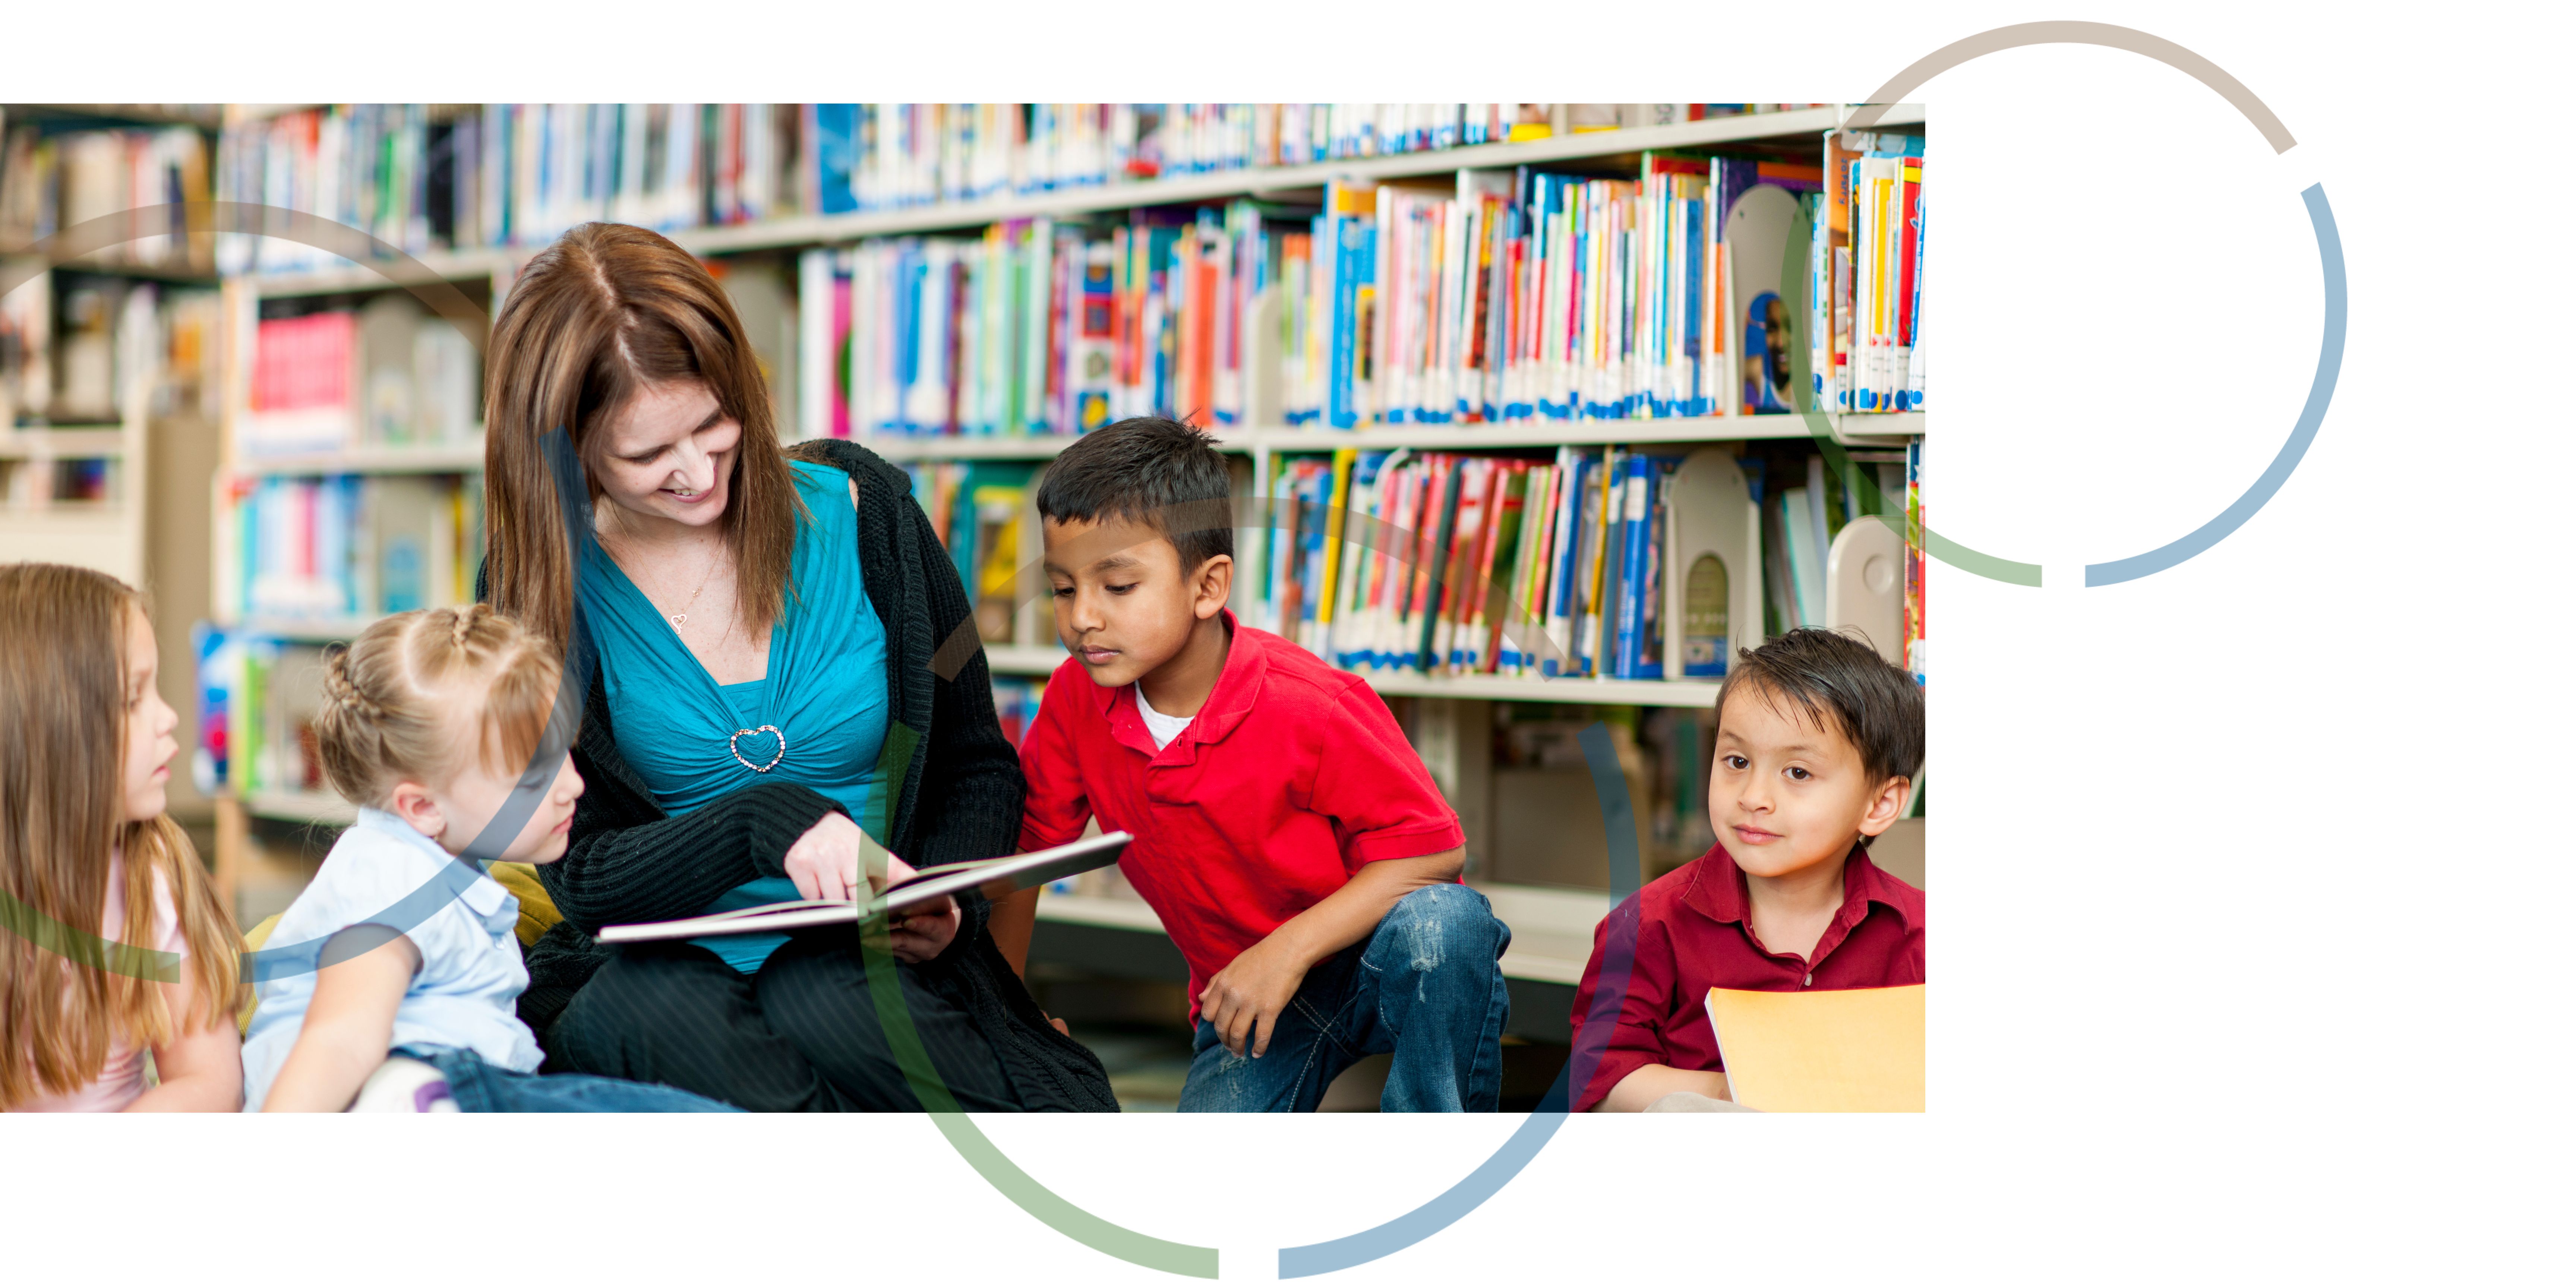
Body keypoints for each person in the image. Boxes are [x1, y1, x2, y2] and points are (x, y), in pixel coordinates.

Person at [478, 222, 1111, 1112]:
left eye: (712, 425)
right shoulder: (536, 589)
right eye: (648, 454)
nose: (698, 473)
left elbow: (976, 764)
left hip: (874, 960)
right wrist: (763, 824)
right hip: (664, 962)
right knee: (660, 1013)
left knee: (825, 997)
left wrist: (947, 905)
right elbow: (578, 870)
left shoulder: (870, 511)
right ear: (566, 449)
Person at [1017, 417, 1512, 1112]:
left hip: (1375, 963)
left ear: (1209, 586)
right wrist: (1006, 1015)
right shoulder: (1074, 700)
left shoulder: (1313, 705)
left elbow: (1434, 854)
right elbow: (1026, 857)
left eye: (1119, 587)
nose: (1083, 618)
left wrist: (1286, 952)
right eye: (1064, 589)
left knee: (1447, 923)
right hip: (1246, 1009)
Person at [241, 606, 735, 1112]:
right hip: (431, 1089)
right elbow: (340, 1038)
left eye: (565, 752)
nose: (574, 786)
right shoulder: (394, 876)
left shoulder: (440, 870)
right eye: (533, 776)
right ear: (425, 807)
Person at [1569, 627, 1925, 1112]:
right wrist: (1741, 1091)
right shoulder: (1646, 926)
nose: (1753, 797)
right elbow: (1600, 1083)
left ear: (1880, 803)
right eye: (1736, 761)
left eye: (1797, 773)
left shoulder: (1921, 936)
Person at [0, 563, 244, 1112]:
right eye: (134, 698)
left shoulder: (154, 872)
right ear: (54, 732)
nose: (170, 717)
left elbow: (212, 1082)